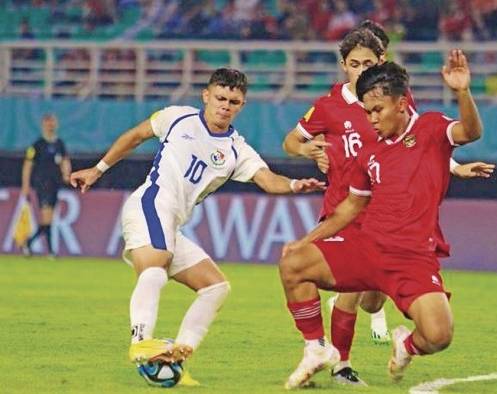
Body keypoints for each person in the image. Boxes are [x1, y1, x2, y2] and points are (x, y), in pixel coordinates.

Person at [69, 68, 325, 386]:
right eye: (220, 97)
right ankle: (140, 344)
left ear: (241, 105)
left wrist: (297, 184)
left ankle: (178, 354)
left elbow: (268, 180)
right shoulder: (177, 118)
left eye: (234, 101)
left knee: (216, 287)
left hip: (171, 223)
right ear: (206, 96)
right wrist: (97, 169)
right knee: (155, 269)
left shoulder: (236, 149)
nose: (225, 105)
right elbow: (135, 136)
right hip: (149, 205)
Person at [282, 26, 493, 386]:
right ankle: (324, 352)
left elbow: (469, 133)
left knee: (436, 335)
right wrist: (305, 241)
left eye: (377, 110)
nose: (371, 119)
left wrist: (462, 93)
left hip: (412, 256)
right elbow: (350, 207)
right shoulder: (368, 149)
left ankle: (407, 345)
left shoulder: (430, 127)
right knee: (293, 262)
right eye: (367, 112)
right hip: (367, 245)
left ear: (400, 102)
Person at [21, 114, 71, 258]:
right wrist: (25, 186)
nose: (50, 125)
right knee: (47, 217)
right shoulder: (37, 144)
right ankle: (49, 251)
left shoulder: (59, 143)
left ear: (56, 124)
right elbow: (27, 166)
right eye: (48, 123)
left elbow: (65, 161)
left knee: (48, 220)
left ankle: (30, 244)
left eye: (52, 123)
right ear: (43, 125)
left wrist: (66, 174)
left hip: (55, 184)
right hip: (42, 184)